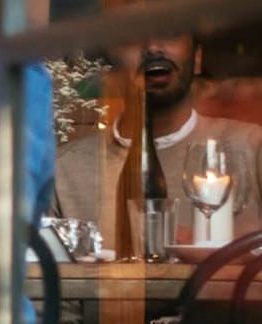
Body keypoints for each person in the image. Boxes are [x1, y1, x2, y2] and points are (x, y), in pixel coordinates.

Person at [51, 31, 262, 251]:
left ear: (197, 59)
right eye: (133, 36)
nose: (152, 47)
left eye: (169, 32)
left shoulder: (252, 146)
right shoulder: (64, 168)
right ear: (110, 68)